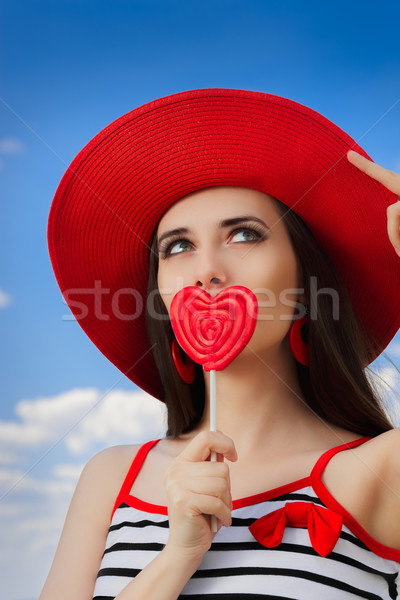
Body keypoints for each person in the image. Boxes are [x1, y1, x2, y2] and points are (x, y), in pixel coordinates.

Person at [41, 89, 400, 600]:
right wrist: (175, 560)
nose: (207, 269)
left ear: (305, 283)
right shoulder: (112, 475)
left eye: (246, 235)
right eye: (178, 246)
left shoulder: (376, 471)